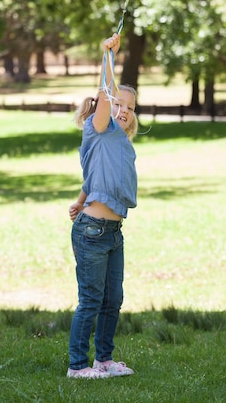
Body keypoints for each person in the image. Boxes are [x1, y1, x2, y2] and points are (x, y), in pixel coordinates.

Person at [67, 32, 138, 379]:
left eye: (130, 107)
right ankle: (77, 366)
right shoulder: (99, 128)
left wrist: (79, 199)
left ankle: (104, 360)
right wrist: (108, 56)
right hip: (92, 233)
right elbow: (106, 94)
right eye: (119, 105)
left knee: (113, 300)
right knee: (91, 301)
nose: (123, 110)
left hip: (112, 232)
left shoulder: (121, 143)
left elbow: (96, 179)